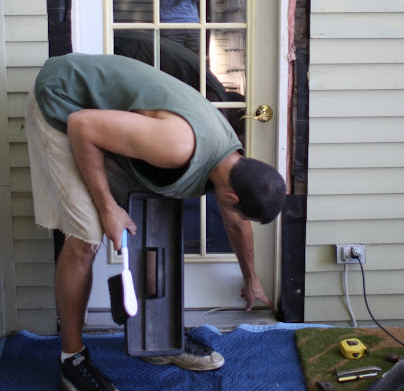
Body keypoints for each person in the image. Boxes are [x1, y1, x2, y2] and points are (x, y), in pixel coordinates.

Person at [25, 52, 286, 391]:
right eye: (239, 211)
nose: (236, 218)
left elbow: (236, 224)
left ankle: (159, 340)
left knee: (156, 220)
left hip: (101, 117)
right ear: (232, 198)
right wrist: (108, 208)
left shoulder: (231, 162)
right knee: (86, 238)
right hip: (62, 101)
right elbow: (81, 125)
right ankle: (71, 360)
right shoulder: (177, 145)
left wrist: (252, 279)